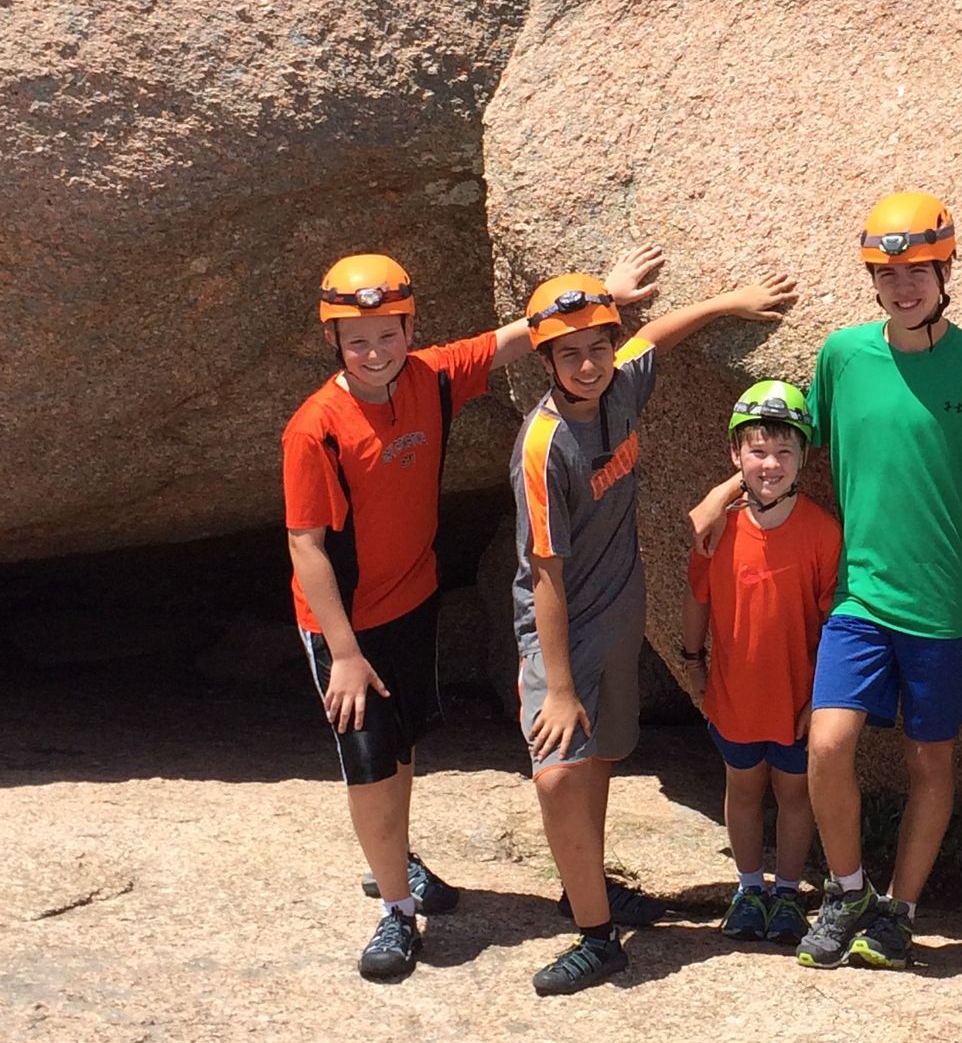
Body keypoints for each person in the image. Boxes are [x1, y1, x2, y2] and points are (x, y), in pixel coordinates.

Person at [283, 242, 662, 983]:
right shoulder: (315, 427)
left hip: (414, 598)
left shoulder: (427, 377)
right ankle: (396, 909)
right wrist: (346, 652)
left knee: (404, 746)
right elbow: (307, 547)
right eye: (357, 340)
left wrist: (604, 297)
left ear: (410, 329)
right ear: (332, 340)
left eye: (388, 334)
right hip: (346, 623)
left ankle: (398, 861)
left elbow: (516, 340)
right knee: (369, 764)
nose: (374, 351)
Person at [690, 191, 962, 973]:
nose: (903, 286)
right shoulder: (842, 356)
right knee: (828, 742)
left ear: (946, 269)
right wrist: (722, 493)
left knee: (929, 761)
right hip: (861, 596)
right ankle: (847, 890)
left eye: (918, 270)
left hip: (949, 606)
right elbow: (784, 448)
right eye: (887, 273)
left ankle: (899, 911)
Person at [513, 265, 796, 998]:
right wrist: (560, 688)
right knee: (557, 774)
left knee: (603, 755)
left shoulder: (617, 386)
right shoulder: (545, 446)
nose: (587, 364)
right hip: (562, 622)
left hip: (620, 608)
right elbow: (544, 572)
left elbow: (654, 340)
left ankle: (591, 890)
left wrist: (730, 300)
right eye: (568, 354)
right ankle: (598, 936)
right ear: (544, 362)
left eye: (596, 348)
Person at [680, 381, 841, 947]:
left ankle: (789, 891)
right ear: (735, 455)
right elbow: (697, 600)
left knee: (795, 796)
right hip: (735, 695)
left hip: (797, 697)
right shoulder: (719, 530)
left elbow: (832, 626)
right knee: (743, 789)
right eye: (757, 450)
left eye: (784, 451)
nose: (769, 464)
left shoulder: (823, 533)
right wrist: (692, 665)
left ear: (803, 457)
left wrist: (818, 700)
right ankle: (750, 888)